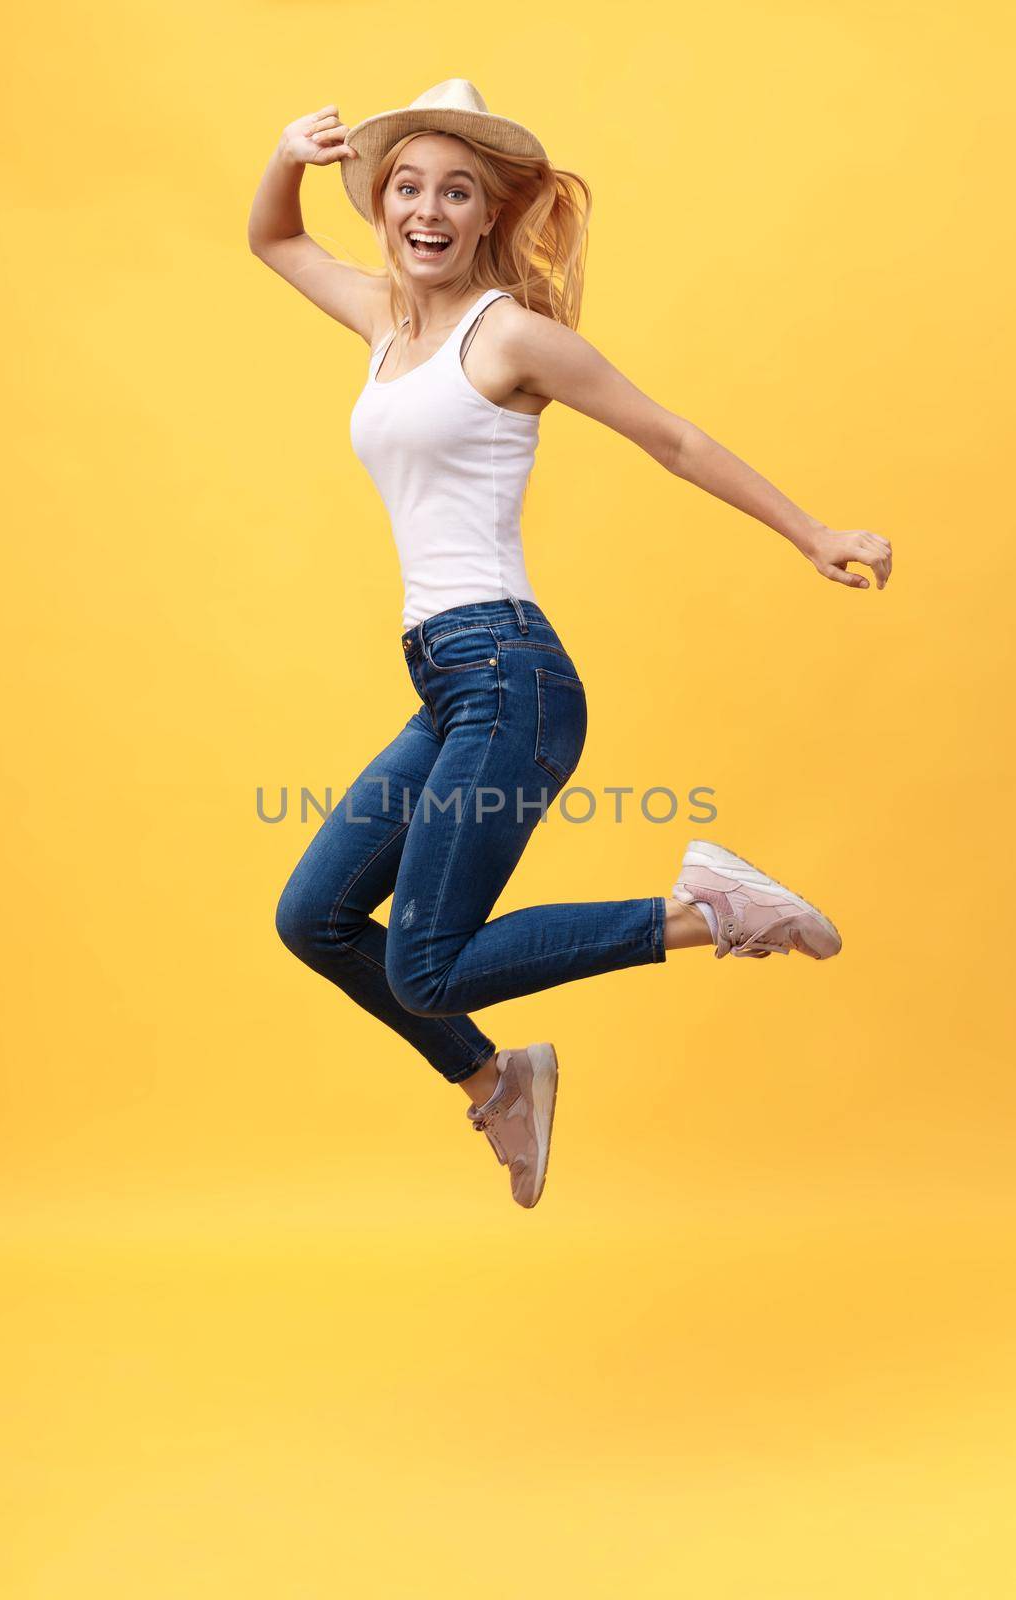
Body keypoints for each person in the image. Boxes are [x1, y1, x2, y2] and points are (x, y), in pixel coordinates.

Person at [247, 79, 892, 1210]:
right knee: (315, 918)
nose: (428, 208)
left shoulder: (512, 338)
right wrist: (284, 154)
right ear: (384, 204)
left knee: (426, 962)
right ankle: (499, 1080)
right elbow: (273, 237)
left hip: (509, 678)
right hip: (449, 686)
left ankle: (709, 912)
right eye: (407, 187)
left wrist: (812, 532)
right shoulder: (380, 318)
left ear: (488, 213)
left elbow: (672, 438)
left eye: (456, 190)